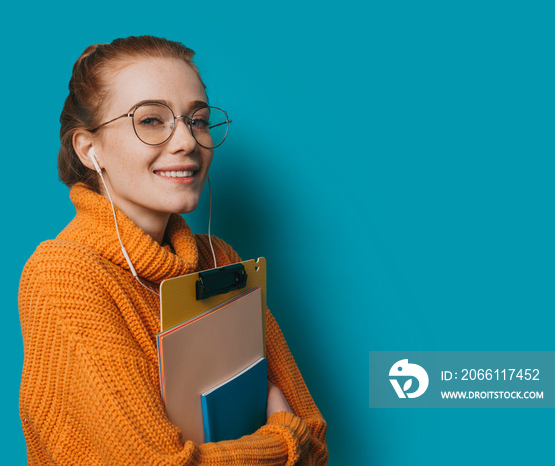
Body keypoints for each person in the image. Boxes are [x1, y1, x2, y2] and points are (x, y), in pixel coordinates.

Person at [18, 35, 328, 465]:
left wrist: (290, 442)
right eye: (150, 120)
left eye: (197, 120)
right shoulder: (64, 276)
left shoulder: (219, 258)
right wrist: (281, 445)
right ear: (90, 149)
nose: (187, 141)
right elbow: (295, 438)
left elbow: (316, 434)